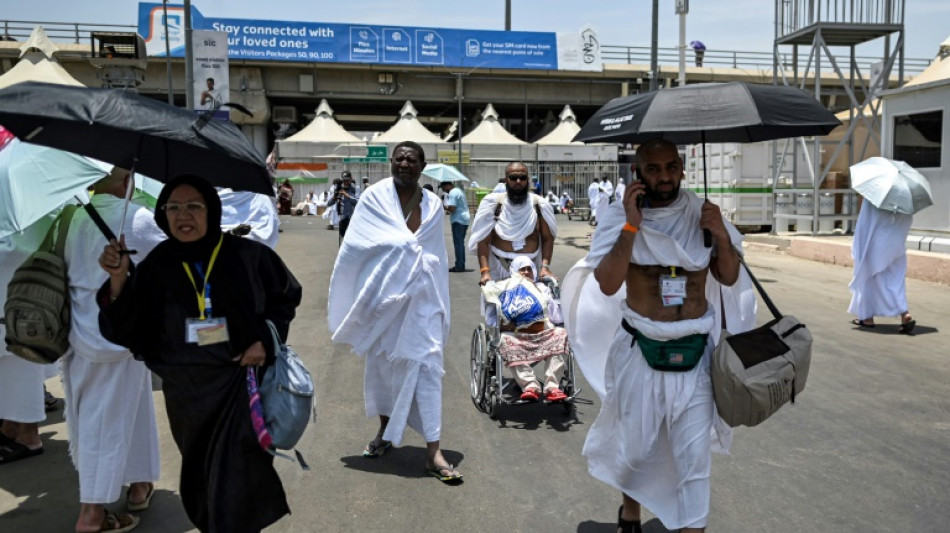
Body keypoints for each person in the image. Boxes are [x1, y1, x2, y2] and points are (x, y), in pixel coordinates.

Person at [561, 139, 756, 533]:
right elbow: (607, 282)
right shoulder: (621, 217)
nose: (663, 177)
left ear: (682, 169)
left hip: (696, 354)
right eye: (653, 169)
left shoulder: (703, 214)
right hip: (640, 351)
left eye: (671, 167)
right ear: (637, 174)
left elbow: (729, 276)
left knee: (694, 459)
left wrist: (720, 234)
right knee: (636, 451)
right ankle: (630, 511)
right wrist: (632, 225)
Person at [98, 174, 302, 532]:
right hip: (186, 392)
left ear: (212, 211)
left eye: (193, 206)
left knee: (238, 475)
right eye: (173, 207)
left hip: (238, 383)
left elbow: (285, 298)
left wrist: (263, 342)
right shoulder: (158, 264)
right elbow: (127, 326)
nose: (182, 215)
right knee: (200, 475)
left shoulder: (247, 256)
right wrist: (118, 279)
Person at [328, 141, 462, 483]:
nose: (405, 163)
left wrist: (414, 261)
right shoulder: (373, 198)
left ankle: (433, 451)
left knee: (429, 369)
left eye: (412, 159)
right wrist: (399, 255)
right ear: (392, 162)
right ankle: (385, 433)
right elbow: (356, 247)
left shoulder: (432, 204)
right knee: (384, 369)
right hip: (386, 303)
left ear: (422, 165)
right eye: (400, 158)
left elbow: (433, 252)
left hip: (423, 303)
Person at [63, 166, 167, 533]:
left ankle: (139, 484)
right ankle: (91, 513)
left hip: (80, 331)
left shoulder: (71, 218)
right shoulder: (139, 218)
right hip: (121, 331)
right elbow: (172, 257)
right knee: (102, 421)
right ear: (128, 181)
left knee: (130, 409)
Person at [0, 217, 59, 466]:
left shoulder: (27, 212)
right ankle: (11, 427)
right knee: (13, 373)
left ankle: (28, 437)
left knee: (21, 370)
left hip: (19, 306)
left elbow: (14, 251)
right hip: (19, 304)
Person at [481, 256, 569, 402]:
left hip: (543, 333)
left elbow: (555, 317)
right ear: (515, 271)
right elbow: (492, 320)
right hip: (517, 336)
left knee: (561, 333)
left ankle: (552, 387)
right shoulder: (505, 288)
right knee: (504, 340)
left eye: (529, 269)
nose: (526, 272)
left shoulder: (542, 288)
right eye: (522, 269)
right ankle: (529, 386)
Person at [469, 162, 558, 285]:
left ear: (527, 180)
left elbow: (547, 239)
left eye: (522, 178)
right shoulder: (493, 204)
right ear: (506, 180)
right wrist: (485, 272)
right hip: (499, 268)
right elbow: (483, 241)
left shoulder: (539, 205)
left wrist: (545, 267)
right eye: (513, 178)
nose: (518, 181)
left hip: (529, 270)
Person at [848, 201, 916, 333]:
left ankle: (867, 318)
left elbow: (864, 225)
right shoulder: (905, 199)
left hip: (876, 244)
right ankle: (904, 313)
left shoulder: (874, 197)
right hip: (896, 245)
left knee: (868, 278)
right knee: (895, 282)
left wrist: (859, 249)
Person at [440, 180, 470, 272]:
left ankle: (459, 266)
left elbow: (452, 208)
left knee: (458, 244)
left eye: (443, 187)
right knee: (460, 243)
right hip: (464, 219)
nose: (443, 190)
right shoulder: (459, 191)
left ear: (448, 185)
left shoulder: (452, 193)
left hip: (458, 220)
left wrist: (444, 206)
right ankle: (460, 264)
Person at [326, 171, 359, 240]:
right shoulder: (338, 188)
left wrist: (346, 194)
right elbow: (329, 203)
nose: (346, 182)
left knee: (354, 238)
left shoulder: (355, 188)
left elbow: (358, 202)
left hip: (353, 217)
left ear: (351, 179)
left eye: (347, 180)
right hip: (342, 217)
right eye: (344, 180)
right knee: (342, 239)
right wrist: (335, 195)